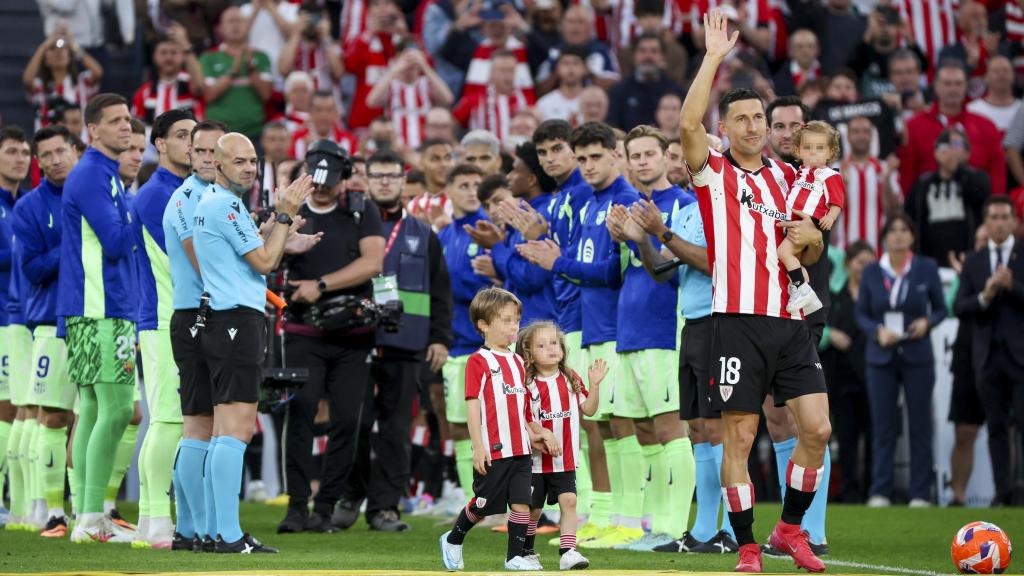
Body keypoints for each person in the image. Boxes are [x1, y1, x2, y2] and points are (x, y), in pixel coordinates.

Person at [678, 11, 830, 572]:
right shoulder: (714, 171)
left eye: (758, 117)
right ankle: (746, 546)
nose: (751, 125)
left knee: (818, 429)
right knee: (739, 439)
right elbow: (689, 128)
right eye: (739, 118)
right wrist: (713, 58)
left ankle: (789, 530)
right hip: (735, 321)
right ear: (727, 127)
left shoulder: (790, 179)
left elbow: (809, 248)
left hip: (790, 322)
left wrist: (811, 238)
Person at [519, 121, 641, 549]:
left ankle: (631, 516)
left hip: (610, 324)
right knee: (599, 426)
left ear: (615, 154)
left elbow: (611, 272)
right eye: (583, 157)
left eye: (594, 157)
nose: (587, 165)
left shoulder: (623, 200)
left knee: (621, 423)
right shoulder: (589, 200)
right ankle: (604, 513)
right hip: (588, 323)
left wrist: (558, 264)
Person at [192, 132, 314, 552]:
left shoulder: (218, 205)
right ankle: (227, 535)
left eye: (252, 161)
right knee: (236, 430)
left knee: (223, 430)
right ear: (218, 165)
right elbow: (264, 261)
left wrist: (276, 229)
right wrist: (283, 217)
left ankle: (212, 532)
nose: (248, 167)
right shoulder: (225, 206)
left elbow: (253, 256)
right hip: (235, 322)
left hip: (223, 318)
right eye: (239, 161)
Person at [622, 142, 737, 554]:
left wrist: (660, 231)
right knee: (700, 429)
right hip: (691, 322)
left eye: (698, 158)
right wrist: (640, 240)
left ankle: (732, 529)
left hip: (723, 323)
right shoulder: (689, 212)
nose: (689, 166)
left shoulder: (729, 205)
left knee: (724, 429)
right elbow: (661, 270)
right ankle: (705, 530)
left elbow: (713, 263)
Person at [335, 150, 452, 528]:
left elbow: (440, 291)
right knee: (353, 424)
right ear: (366, 180)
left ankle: (385, 507)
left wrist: (439, 338)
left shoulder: (422, 233)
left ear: (403, 182)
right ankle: (352, 494)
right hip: (355, 339)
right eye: (378, 175)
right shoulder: (349, 227)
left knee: (397, 429)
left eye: (392, 175)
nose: (385, 181)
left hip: (407, 341)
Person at [276, 139, 386, 534]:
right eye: (316, 180)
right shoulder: (289, 208)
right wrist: (282, 233)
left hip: (353, 334)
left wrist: (320, 285)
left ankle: (325, 506)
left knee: (346, 421)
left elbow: (373, 262)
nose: (320, 188)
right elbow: (265, 255)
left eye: (329, 180)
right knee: (301, 413)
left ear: (343, 177)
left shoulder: (361, 210)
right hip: (303, 331)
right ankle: (295, 505)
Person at [603, 125, 696, 551]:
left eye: (649, 154)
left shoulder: (684, 205)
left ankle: (673, 529)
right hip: (629, 329)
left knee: (670, 428)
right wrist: (619, 238)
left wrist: (642, 240)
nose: (642, 161)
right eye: (634, 155)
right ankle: (653, 527)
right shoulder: (628, 206)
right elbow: (622, 271)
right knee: (642, 431)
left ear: (665, 157)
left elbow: (669, 270)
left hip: (663, 329)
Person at [57, 94, 138, 544]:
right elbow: (115, 241)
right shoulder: (92, 175)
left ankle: (88, 517)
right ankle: (90, 517)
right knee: (118, 409)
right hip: (103, 307)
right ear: (93, 130)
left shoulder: (101, 174)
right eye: (115, 121)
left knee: (92, 409)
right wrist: (141, 211)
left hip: (93, 307)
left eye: (127, 120)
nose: (125, 128)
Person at [529, 120, 610, 539]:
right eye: (543, 153)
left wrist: (550, 250)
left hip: (583, 315)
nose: (550, 159)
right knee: (579, 421)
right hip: (567, 314)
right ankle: (583, 511)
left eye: (557, 149)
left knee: (589, 419)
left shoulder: (583, 193)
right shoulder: (562, 196)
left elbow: (574, 257)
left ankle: (595, 509)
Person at [438, 287, 556, 572]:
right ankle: (453, 539)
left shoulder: (518, 362)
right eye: (505, 320)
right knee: (482, 504)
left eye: (516, 320)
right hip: (494, 448)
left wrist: (537, 433)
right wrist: (478, 446)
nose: (513, 326)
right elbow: (473, 406)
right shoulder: (478, 361)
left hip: (521, 450)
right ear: (484, 324)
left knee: (522, 504)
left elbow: (523, 410)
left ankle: (514, 557)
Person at [128, 110, 197, 548]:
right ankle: (152, 520)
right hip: (162, 316)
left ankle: (157, 519)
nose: (191, 144)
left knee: (178, 418)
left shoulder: (185, 191)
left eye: (196, 136)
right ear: (160, 144)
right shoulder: (158, 196)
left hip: (181, 317)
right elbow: (191, 259)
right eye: (182, 136)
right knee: (168, 418)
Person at [162, 119, 228, 552]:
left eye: (213, 152)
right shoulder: (188, 200)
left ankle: (189, 529)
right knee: (199, 424)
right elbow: (205, 262)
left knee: (202, 423)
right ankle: (198, 528)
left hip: (206, 314)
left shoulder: (215, 197)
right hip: (197, 315)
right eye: (199, 151)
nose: (206, 158)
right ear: (189, 154)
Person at [12, 125, 78, 537]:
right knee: (51, 416)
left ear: (75, 150)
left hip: (98, 319)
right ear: (39, 161)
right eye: (47, 155)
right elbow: (33, 269)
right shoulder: (30, 208)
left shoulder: (92, 193)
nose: (55, 160)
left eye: (61, 151)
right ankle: (49, 511)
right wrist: (74, 240)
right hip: (50, 323)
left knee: (104, 415)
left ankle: (95, 509)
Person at [855, 213, 945, 508]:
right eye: (892, 231)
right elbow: (861, 314)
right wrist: (876, 331)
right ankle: (881, 490)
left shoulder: (926, 268)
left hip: (917, 353)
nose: (897, 235)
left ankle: (920, 493)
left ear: (912, 236)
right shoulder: (871, 271)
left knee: (920, 425)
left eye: (903, 230)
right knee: (883, 426)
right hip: (881, 356)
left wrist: (927, 323)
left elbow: (941, 309)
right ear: (884, 237)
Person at [953, 195, 1024, 507]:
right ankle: (1003, 493)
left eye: (1004, 216)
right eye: (993, 217)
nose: (998, 222)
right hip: (987, 359)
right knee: (995, 427)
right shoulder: (975, 261)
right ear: (986, 222)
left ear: (1013, 221)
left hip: (1020, 357)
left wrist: (1013, 286)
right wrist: (986, 294)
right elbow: (960, 306)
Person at [518, 321, 603, 570]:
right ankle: (526, 551)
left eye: (554, 343)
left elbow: (589, 409)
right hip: (535, 461)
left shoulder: (570, 377)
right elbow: (526, 420)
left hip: (564, 460)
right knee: (533, 510)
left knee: (569, 501)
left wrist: (595, 385)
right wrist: (543, 433)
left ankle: (568, 552)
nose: (551, 348)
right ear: (529, 354)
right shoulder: (529, 385)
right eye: (542, 345)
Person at [433, 163, 493, 506]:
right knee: (457, 424)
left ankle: (499, 498)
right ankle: (474, 500)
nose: (471, 191)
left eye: (476, 184)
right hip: (455, 344)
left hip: (486, 346)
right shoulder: (443, 236)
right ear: (450, 192)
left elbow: (494, 286)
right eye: (464, 184)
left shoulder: (489, 231)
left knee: (494, 426)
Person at [899, 61, 1005, 196]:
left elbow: (997, 173)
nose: (953, 89)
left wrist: (994, 205)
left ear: (966, 86)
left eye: (958, 83)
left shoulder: (986, 125)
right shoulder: (913, 126)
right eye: (947, 83)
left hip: (976, 207)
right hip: (929, 207)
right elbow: (907, 173)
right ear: (935, 86)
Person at [822, 241, 874, 503]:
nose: (864, 269)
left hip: (874, 378)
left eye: (869, 264)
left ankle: (873, 490)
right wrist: (832, 335)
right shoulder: (835, 296)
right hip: (841, 378)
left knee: (875, 436)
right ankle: (850, 489)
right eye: (859, 263)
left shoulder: (879, 297)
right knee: (847, 437)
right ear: (848, 265)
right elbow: (817, 332)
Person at [0, 126, 33, 530]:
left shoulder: (25, 203)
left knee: (22, 408)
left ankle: (17, 501)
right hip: (3, 317)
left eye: (25, 152)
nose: (20, 158)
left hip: (24, 316)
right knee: (7, 408)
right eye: (11, 151)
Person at [778, 121, 846, 316]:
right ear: (798, 151)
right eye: (807, 148)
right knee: (794, 262)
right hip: (794, 219)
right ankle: (803, 291)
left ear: (830, 152)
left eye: (819, 148)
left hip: (809, 221)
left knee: (783, 252)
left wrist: (831, 217)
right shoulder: (802, 172)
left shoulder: (829, 174)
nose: (813, 153)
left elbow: (837, 200)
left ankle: (800, 288)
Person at [905, 129, 991, 265]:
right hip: (930, 261)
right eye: (946, 145)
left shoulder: (978, 178)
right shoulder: (922, 184)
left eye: (956, 145)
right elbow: (911, 218)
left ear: (967, 153)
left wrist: (957, 169)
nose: (950, 151)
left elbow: (981, 196)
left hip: (968, 258)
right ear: (936, 152)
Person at [199, 6, 273, 141]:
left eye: (240, 21)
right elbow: (209, 95)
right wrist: (233, 71)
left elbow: (266, 95)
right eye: (230, 21)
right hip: (218, 133)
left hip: (254, 133)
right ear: (220, 28)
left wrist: (252, 70)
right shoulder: (209, 57)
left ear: (248, 26)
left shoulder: (261, 56)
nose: (235, 25)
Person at [364, 43, 455, 150]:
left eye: (415, 57)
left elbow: (448, 99)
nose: (410, 62)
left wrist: (425, 66)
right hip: (397, 146)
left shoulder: (427, 83)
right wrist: (395, 69)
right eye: (406, 57)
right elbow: (371, 101)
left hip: (425, 146)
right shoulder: (391, 85)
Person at [834, 116, 900, 250]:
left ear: (872, 136)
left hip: (879, 249)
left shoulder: (886, 168)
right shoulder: (834, 170)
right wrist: (842, 187)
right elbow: (827, 217)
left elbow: (894, 212)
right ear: (848, 136)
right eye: (855, 132)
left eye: (865, 132)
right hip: (845, 250)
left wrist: (886, 182)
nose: (861, 136)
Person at [22, 25, 103, 131]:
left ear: (70, 57)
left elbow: (98, 72)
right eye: (52, 49)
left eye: (63, 49)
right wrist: (45, 45)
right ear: (45, 60)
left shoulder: (81, 83)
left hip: (79, 144)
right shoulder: (40, 87)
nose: (58, 52)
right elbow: (27, 80)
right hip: (47, 144)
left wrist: (73, 44)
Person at [453, 50, 536, 146]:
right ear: (491, 72)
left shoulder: (526, 100)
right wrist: (456, 145)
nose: (508, 76)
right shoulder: (474, 100)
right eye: (503, 70)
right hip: (484, 157)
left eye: (511, 70)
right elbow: (451, 123)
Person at [130, 23, 205, 128]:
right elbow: (135, 126)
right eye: (163, 53)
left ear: (183, 56)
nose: (168, 57)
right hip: (155, 143)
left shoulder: (189, 83)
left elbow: (200, 86)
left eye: (173, 53)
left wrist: (185, 45)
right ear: (154, 57)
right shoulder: (144, 92)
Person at [606, 34, 683, 131]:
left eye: (654, 51)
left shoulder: (676, 91)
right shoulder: (618, 91)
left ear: (662, 56)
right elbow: (613, 128)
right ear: (634, 55)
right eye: (642, 51)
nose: (648, 56)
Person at [276, 4, 343, 95]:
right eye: (307, 20)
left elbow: (338, 73)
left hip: (325, 104)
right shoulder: (293, 45)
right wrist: (296, 33)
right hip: (300, 105)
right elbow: (283, 70)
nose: (312, 23)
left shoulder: (330, 45)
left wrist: (326, 38)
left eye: (317, 19)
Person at [290, 91, 359, 159]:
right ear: (310, 113)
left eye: (329, 110)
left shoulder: (348, 141)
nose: (324, 115)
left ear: (336, 113)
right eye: (318, 110)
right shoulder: (295, 140)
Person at [534, 45, 588, 125]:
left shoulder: (593, 102)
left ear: (585, 69)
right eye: (565, 63)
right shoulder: (544, 103)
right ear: (557, 69)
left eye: (576, 63)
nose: (571, 68)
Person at [773, 29, 821, 97]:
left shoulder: (827, 72)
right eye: (799, 47)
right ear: (790, 51)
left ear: (817, 49)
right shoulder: (780, 79)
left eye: (810, 46)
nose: (805, 51)